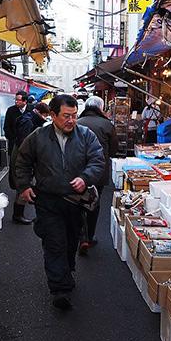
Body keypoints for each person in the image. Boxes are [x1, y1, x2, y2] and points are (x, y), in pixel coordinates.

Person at [15, 94, 105, 310]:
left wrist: (85, 178)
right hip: (47, 199)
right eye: (66, 116)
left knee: (71, 239)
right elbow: (22, 161)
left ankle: (66, 269)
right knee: (55, 242)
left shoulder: (86, 135)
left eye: (74, 116)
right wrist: (24, 186)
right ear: (53, 115)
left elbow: (98, 160)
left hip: (75, 201)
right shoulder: (38, 136)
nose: (71, 121)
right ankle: (59, 289)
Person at [76, 95, 116, 254]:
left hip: (78, 171)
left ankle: (82, 236)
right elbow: (113, 149)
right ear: (100, 108)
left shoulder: (77, 122)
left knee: (78, 201)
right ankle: (89, 236)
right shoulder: (107, 125)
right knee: (94, 202)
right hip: (98, 171)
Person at [4, 90, 31, 224]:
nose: (16, 102)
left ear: (25, 101)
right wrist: (14, 139)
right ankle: (17, 188)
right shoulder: (11, 111)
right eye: (16, 99)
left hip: (27, 148)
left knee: (21, 172)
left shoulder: (31, 110)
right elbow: (6, 128)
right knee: (15, 170)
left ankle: (20, 193)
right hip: (14, 145)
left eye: (19, 100)